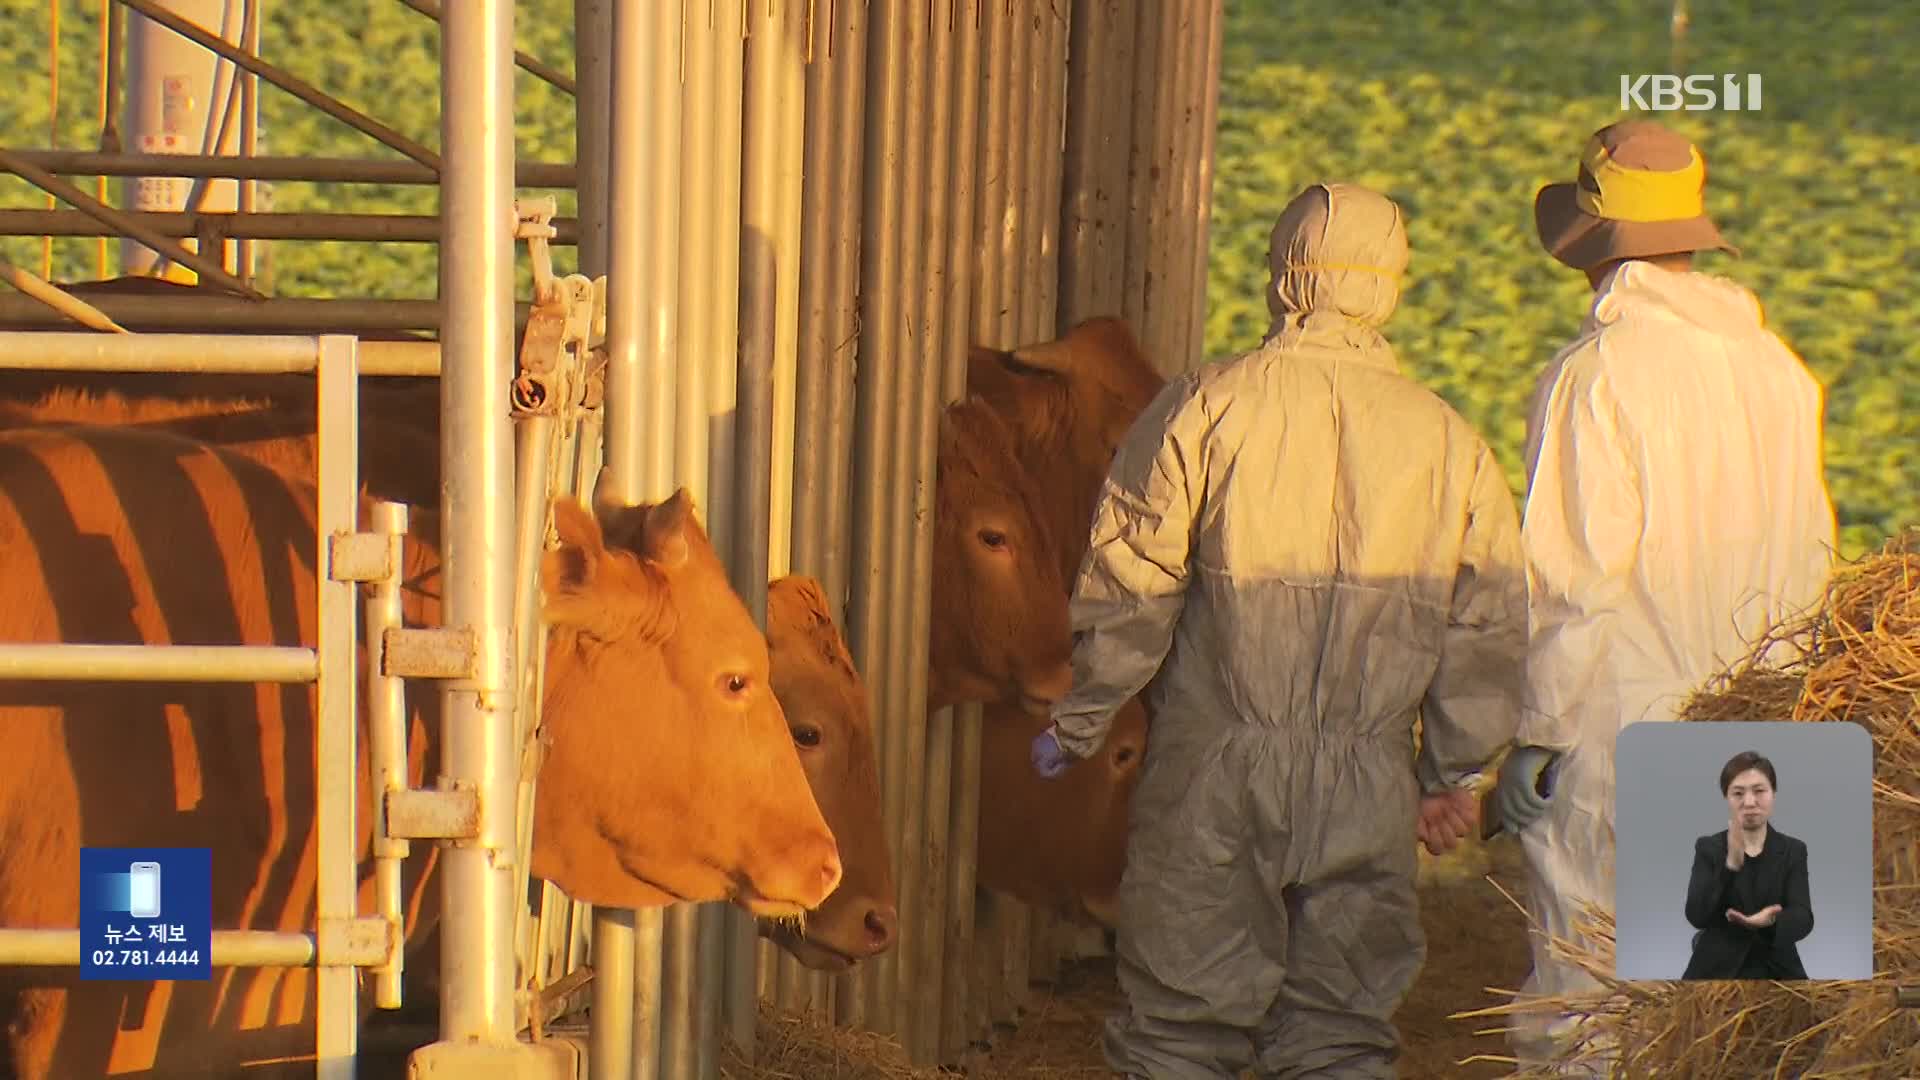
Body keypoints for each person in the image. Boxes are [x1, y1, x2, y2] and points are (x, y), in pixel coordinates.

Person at [1027, 182, 1529, 1080]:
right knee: (1339, 1033)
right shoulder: (1448, 441)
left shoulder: (1202, 407)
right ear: (1389, 284)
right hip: (1367, 778)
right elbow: (1486, 619)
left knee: (1181, 1027)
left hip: (1212, 772)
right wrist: (1451, 771)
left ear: (1283, 274)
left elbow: (1130, 583)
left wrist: (1082, 718)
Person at [1491, 119, 1837, 1072]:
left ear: (1591, 244)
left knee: (1592, 1011)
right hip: (1764, 724)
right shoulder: (1779, 372)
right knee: (1741, 1023)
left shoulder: (1595, 376)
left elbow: (1574, 583)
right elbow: (1813, 555)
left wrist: (1537, 733)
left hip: (1621, 730)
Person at [1680, 750, 1813, 980]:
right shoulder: (1709, 847)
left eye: (1759, 791)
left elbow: (1803, 917)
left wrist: (1770, 921)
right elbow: (1696, 916)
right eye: (1738, 793)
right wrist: (1729, 865)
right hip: (1716, 969)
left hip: (1777, 967)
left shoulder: (1793, 850)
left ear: (1773, 793)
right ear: (1727, 798)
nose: (1749, 802)